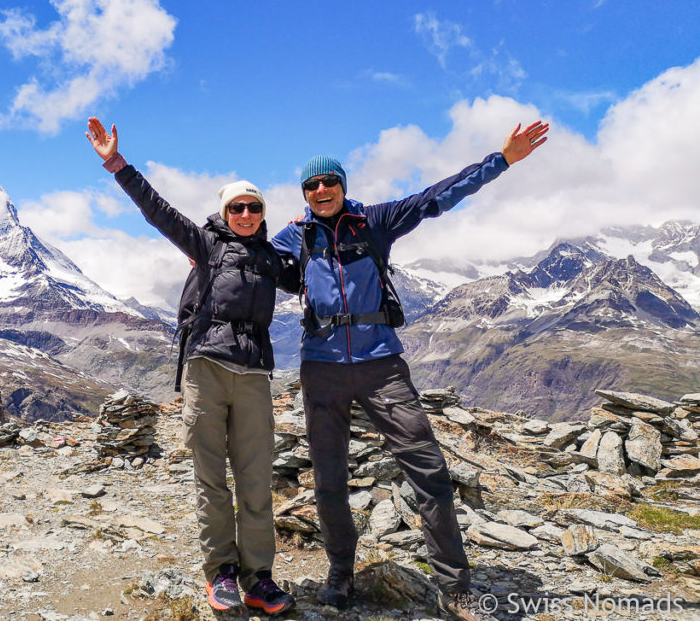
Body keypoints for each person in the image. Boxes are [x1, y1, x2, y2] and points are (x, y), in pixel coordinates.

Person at [271, 121, 549, 620]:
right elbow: (250, 258)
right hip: (322, 370)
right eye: (311, 186)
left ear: (342, 185)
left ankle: (454, 587)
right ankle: (340, 575)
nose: (320, 190)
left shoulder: (374, 221)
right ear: (304, 194)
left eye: (328, 182)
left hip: (383, 367)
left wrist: (501, 160)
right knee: (329, 480)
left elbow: (435, 197)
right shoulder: (295, 235)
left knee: (430, 472)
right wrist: (203, 255)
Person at [85, 117, 295, 616]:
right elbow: (158, 212)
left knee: (256, 477)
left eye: (254, 207)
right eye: (236, 207)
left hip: (254, 375)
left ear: (263, 213)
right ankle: (220, 572)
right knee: (210, 478)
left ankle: (258, 578)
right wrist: (117, 164)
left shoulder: (273, 257)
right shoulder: (205, 244)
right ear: (225, 211)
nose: (245, 213)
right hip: (205, 368)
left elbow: (317, 273)